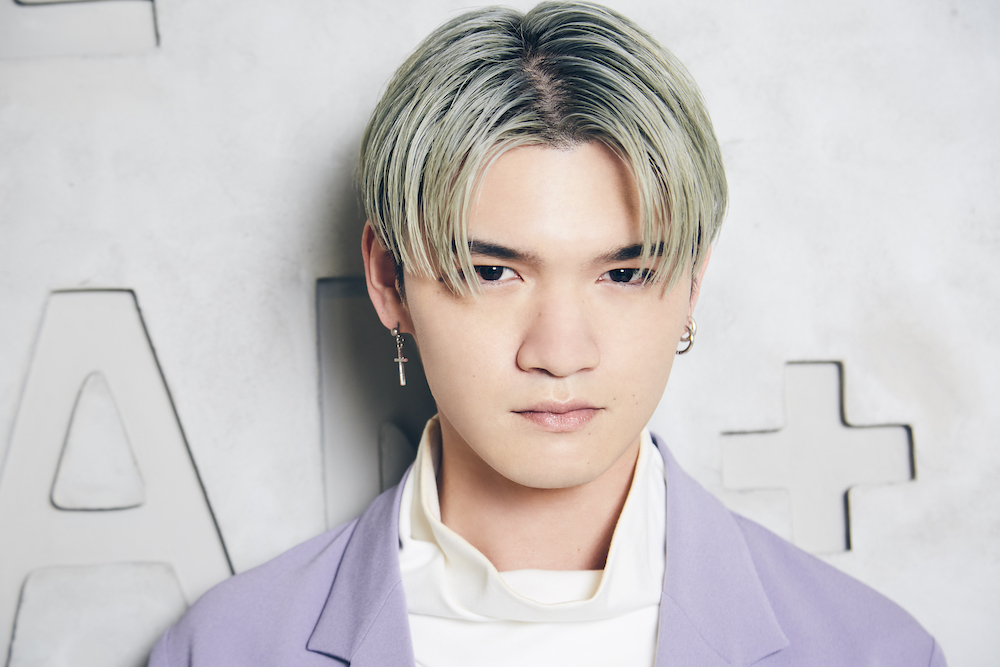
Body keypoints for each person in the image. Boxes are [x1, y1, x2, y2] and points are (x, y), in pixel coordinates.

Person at [149, 3, 946, 665]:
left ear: (692, 285)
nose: (560, 353)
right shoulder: (224, 648)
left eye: (625, 272)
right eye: (493, 271)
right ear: (390, 281)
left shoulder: (873, 651)